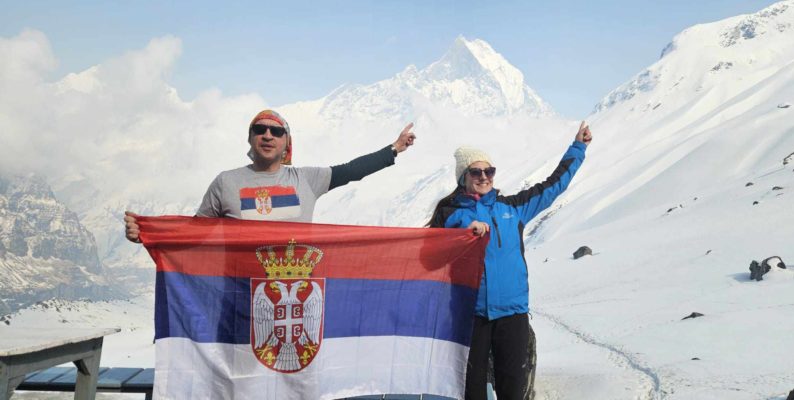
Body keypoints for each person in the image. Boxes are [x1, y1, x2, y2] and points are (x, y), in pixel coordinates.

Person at [427, 122, 592, 400]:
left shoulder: (512, 208)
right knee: (470, 392)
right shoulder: (451, 215)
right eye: (476, 172)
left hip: (512, 315)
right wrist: (463, 235)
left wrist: (578, 147)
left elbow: (553, 186)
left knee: (513, 391)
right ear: (463, 178)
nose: (484, 176)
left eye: (488, 171)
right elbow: (429, 255)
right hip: (470, 316)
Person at [125, 109, 415, 241]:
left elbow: (352, 171)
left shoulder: (306, 180)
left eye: (276, 131)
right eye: (259, 130)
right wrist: (148, 233)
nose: (267, 135)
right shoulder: (226, 182)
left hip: (296, 287)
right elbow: (193, 233)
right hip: (239, 287)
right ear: (250, 139)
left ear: (287, 143)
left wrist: (394, 148)